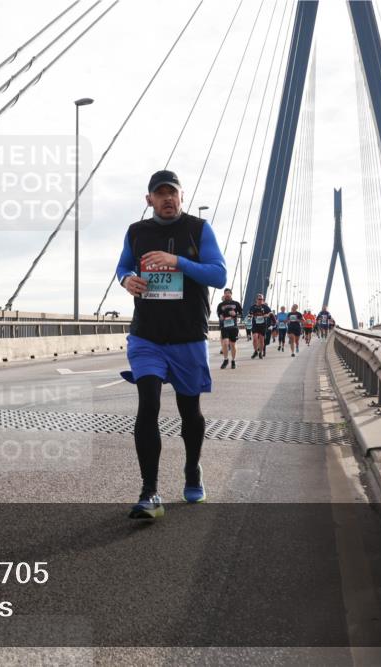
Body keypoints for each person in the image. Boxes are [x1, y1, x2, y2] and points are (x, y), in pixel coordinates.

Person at [116, 169, 227, 519]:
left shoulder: (198, 229)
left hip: (187, 336)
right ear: (149, 199)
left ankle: (192, 469)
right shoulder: (137, 232)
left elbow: (219, 274)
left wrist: (176, 261)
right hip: (146, 335)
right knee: (147, 404)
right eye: (159, 193)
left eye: (172, 193)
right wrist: (127, 281)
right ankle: (149, 492)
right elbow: (121, 267)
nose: (167, 199)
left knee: (188, 411)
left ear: (181, 196)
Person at [216, 288, 242, 369]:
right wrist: (221, 317)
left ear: (231, 294)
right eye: (225, 293)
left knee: (233, 344)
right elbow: (219, 314)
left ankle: (233, 360)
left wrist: (235, 314)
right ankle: (226, 359)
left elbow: (241, 315)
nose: (227, 294)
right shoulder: (220, 305)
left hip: (233, 327)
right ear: (224, 294)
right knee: (225, 343)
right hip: (225, 327)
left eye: (228, 293)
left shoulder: (236, 304)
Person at [247, 294, 272, 359]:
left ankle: (260, 352)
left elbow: (270, 313)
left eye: (262, 299)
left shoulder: (265, 307)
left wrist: (267, 315)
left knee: (261, 340)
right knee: (255, 339)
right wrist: (249, 319)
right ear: (256, 300)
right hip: (255, 325)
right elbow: (250, 314)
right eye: (259, 299)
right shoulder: (253, 307)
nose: (260, 300)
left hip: (262, 325)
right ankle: (255, 351)